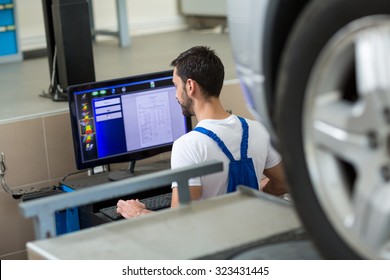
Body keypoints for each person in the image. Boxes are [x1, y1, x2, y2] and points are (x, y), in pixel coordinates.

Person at [116, 46, 288, 218]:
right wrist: (249, 197)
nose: (175, 95)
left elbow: (179, 221)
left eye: (176, 86)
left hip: (216, 243)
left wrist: (138, 212)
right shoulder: (258, 130)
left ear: (190, 86)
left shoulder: (188, 146)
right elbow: (283, 184)